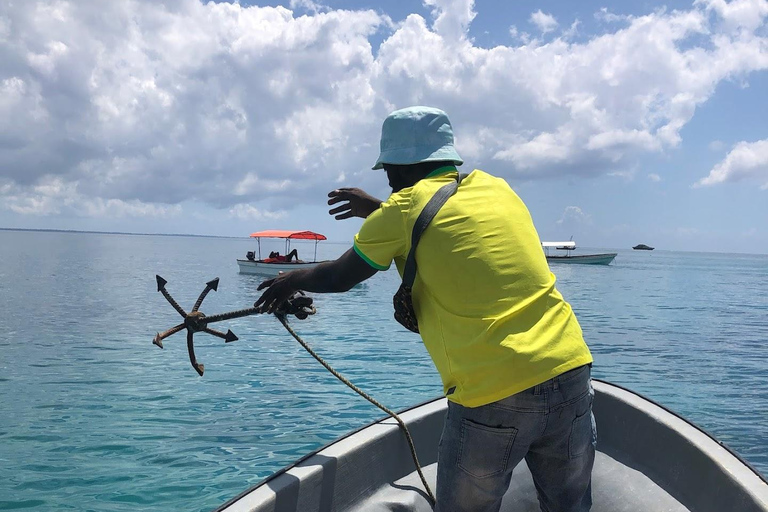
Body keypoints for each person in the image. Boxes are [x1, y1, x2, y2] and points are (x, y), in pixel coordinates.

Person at [255, 106, 596, 512]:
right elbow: (445, 225)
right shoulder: (497, 188)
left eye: (388, 173)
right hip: (570, 368)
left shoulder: (400, 210)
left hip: (492, 392)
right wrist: (383, 208)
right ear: (448, 158)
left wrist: (289, 280)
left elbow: (339, 277)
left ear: (396, 171)